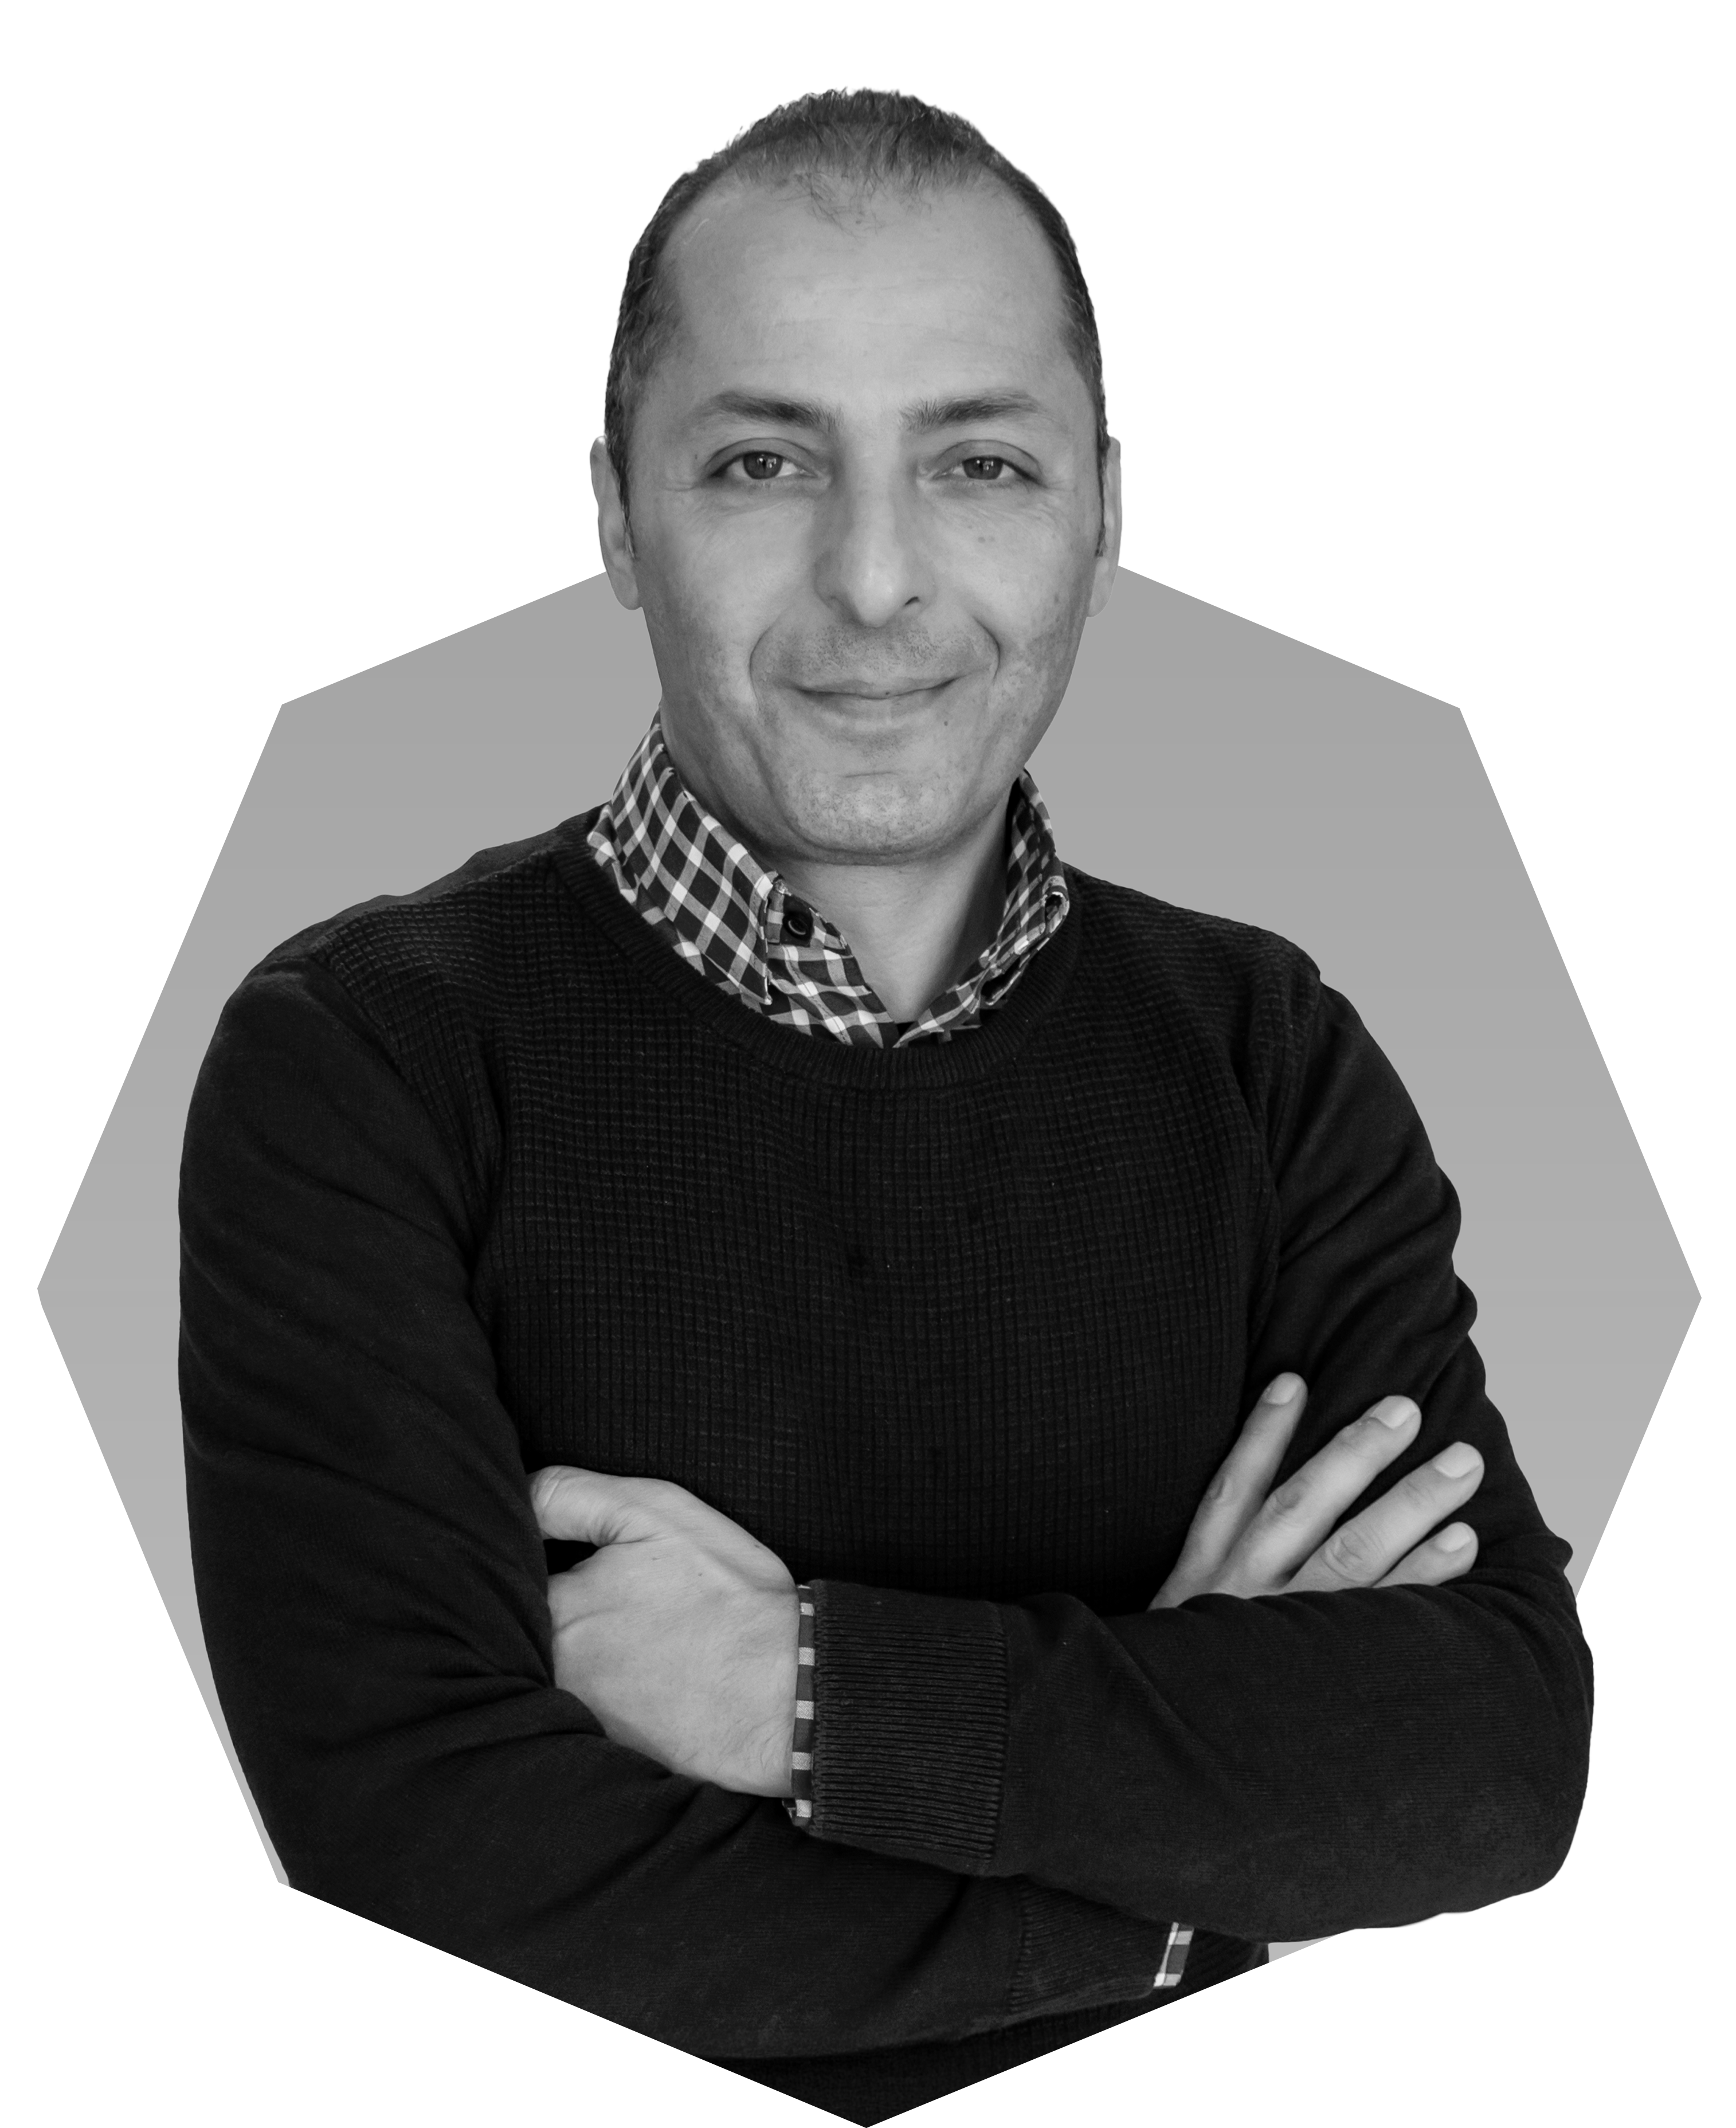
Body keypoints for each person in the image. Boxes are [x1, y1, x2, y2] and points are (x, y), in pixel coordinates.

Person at [179, 87, 1592, 2125]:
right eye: (761, 462)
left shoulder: (1266, 1056)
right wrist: (1186, 1872)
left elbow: (1487, 1755)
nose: (871, 579)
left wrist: (807, 1690)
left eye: (978, 464)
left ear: (1100, 513)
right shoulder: (363, 1064)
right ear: (616, 515)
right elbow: (431, 1863)